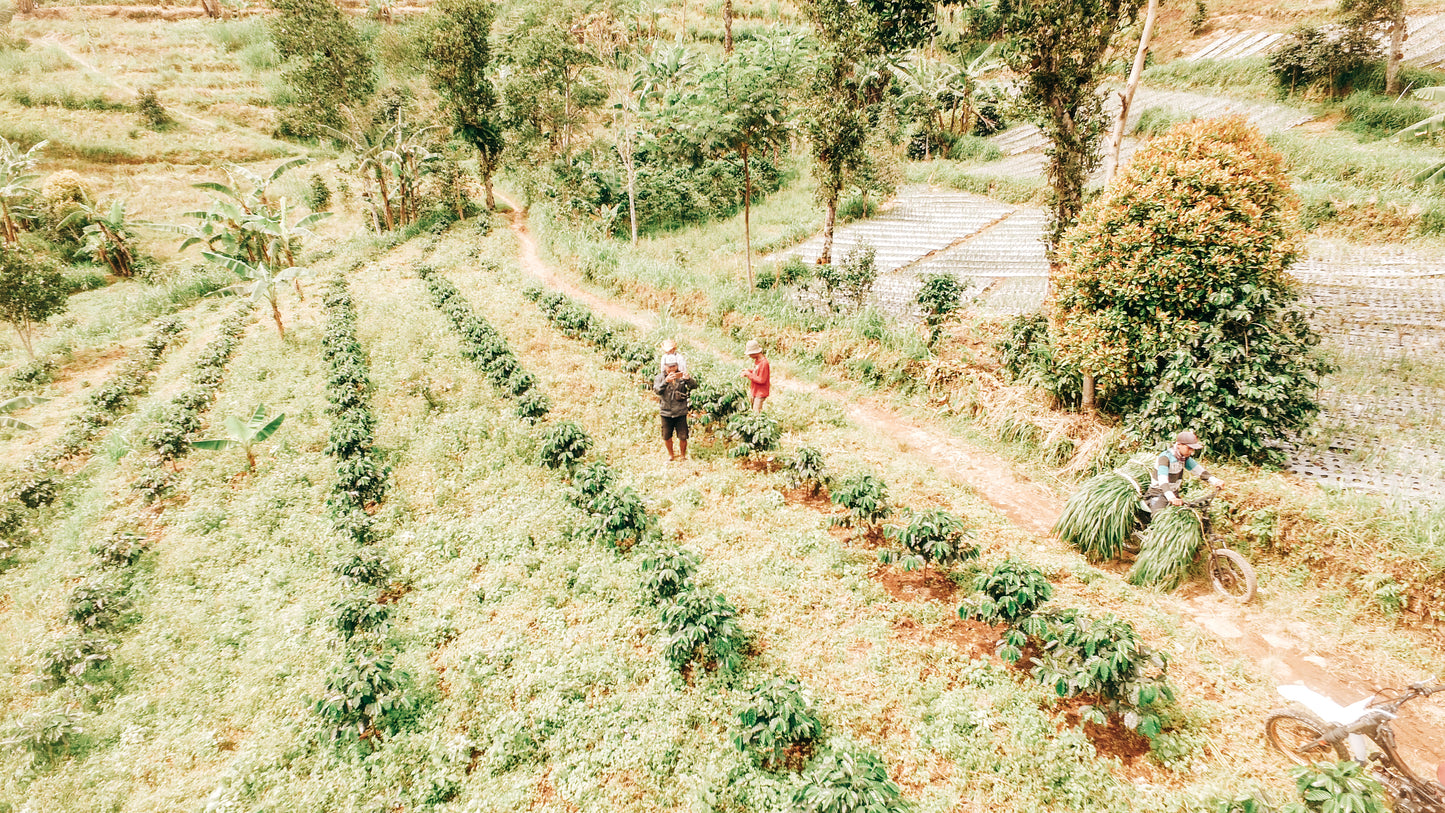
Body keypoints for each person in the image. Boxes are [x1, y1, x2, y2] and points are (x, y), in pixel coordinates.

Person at [1142, 430, 1225, 518]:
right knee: (1160, 518)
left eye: (1192, 449)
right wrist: (1171, 498)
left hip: (1174, 493)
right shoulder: (1165, 457)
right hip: (1158, 493)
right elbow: (1163, 480)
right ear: (1179, 445)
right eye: (1189, 448)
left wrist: (1215, 481)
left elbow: (1199, 471)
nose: (1191, 452)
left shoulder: (1184, 458)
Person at [653, 358, 695, 461]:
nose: (672, 369)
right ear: (665, 367)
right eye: (669, 366)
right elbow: (657, 390)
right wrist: (666, 382)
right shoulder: (659, 377)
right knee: (667, 436)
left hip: (680, 411)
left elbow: (694, 386)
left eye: (674, 366)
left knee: (683, 436)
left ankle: (682, 455)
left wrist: (688, 379)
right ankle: (671, 455)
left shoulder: (681, 375)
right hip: (666, 411)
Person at [740, 339, 770, 412]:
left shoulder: (764, 363)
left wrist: (748, 374)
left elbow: (761, 379)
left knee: (756, 414)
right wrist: (748, 371)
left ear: (755, 352)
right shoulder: (757, 361)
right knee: (752, 410)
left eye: (750, 354)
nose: (750, 356)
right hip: (755, 391)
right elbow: (756, 373)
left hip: (760, 393)